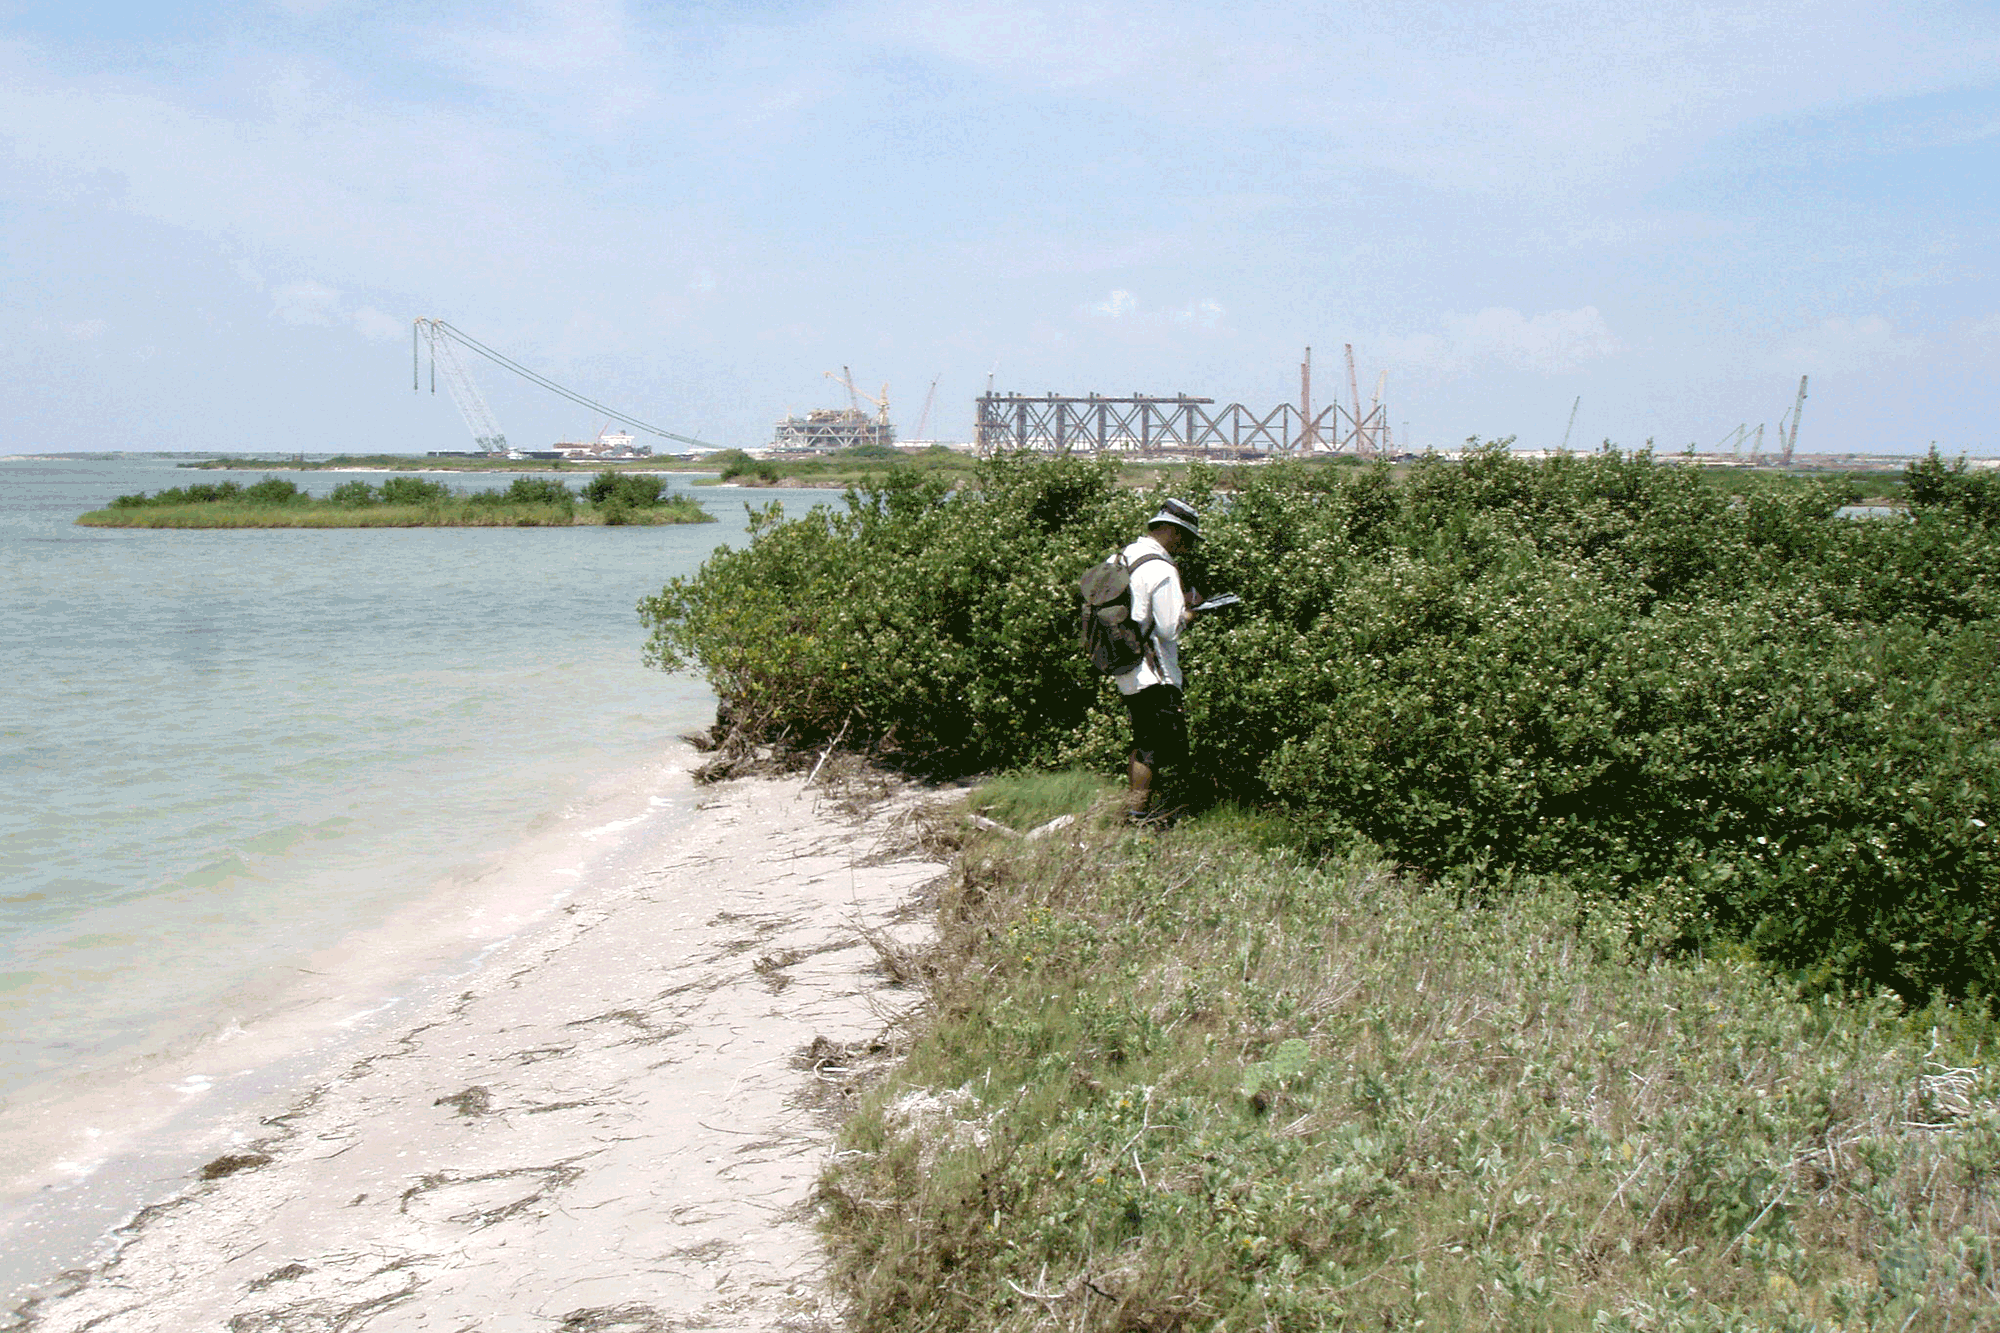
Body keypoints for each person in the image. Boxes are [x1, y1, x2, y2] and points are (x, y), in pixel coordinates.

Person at [1113, 498, 1201, 820]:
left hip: (1125, 665)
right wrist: (1190, 613)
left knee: (1143, 739)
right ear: (1171, 531)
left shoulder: (1122, 557)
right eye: (1186, 537)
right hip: (1155, 672)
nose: (1187, 546)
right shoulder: (1162, 569)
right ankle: (1138, 819)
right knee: (1152, 748)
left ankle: (1139, 811)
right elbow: (1168, 629)